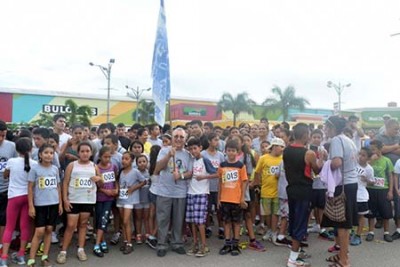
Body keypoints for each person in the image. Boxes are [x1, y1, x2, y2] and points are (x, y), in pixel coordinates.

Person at [321, 116, 359, 267]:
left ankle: (344, 260)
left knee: (342, 224)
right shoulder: (348, 139)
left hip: (343, 185)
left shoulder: (337, 140)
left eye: (326, 127)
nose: (324, 130)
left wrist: (325, 162)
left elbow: (337, 163)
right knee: (343, 222)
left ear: (332, 127)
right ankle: (342, 254)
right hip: (350, 183)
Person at [283, 123, 322, 267]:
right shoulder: (309, 153)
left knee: (294, 220)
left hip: (291, 189)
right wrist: (322, 159)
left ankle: (296, 251)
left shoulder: (286, 150)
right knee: (300, 223)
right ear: (305, 135)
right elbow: (317, 170)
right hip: (303, 190)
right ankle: (293, 259)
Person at [57, 142, 102, 264]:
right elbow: (65, 182)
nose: (85, 153)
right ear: (78, 153)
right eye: (82, 151)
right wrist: (65, 199)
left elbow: (101, 182)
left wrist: (99, 179)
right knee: (71, 225)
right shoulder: (72, 165)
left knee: (83, 224)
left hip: (87, 199)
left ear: (91, 153)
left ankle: (81, 249)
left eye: (87, 151)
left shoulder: (94, 166)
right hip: (73, 199)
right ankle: (63, 251)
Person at [154, 128, 193, 257]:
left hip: (180, 192)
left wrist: (181, 176)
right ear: (172, 138)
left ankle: (177, 243)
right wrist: (168, 156)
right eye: (176, 136)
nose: (178, 139)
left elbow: (190, 173)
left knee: (178, 220)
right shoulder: (164, 150)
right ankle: (162, 244)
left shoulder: (188, 154)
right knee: (163, 219)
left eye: (181, 137)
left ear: (185, 139)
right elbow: (157, 168)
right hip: (164, 191)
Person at [1, 138, 35, 267]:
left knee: (9, 227)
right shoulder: (34, 163)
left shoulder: (11, 161)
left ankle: (3, 258)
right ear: (31, 149)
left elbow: (5, 175)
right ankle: (21, 256)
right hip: (27, 197)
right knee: (24, 227)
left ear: (16, 149)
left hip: (13, 197)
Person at [27, 144, 62, 267]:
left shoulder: (55, 169)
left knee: (49, 230)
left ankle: (45, 257)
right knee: (39, 231)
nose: (49, 155)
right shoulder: (35, 169)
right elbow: (30, 188)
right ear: (40, 155)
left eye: (51, 153)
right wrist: (31, 206)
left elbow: (58, 187)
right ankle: (31, 258)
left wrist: (60, 204)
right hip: (40, 204)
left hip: (54, 203)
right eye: (46, 153)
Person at [185, 138, 218, 257]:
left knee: (200, 222)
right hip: (190, 193)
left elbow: (217, 173)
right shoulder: (191, 161)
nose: (193, 151)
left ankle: (204, 245)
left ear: (200, 148)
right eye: (190, 149)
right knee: (192, 221)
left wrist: (204, 177)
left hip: (202, 193)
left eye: (195, 148)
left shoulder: (205, 160)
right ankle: (195, 243)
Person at [218, 139, 248, 256]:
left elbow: (244, 182)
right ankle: (227, 243)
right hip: (224, 199)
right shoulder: (222, 165)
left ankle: (235, 244)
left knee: (236, 222)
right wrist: (218, 198)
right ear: (225, 151)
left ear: (237, 152)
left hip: (236, 199)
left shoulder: (241, 166)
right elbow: (220, 182)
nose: (231, 153)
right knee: (226, 222)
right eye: (229, 150)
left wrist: (242, 198)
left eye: (233, 151)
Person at [254, 138, 285, 244]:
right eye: (280, 147)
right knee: (266, 213)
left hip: (278, 190)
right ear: (274, 147)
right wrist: (257, 184)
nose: (281, 149)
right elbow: (257, 172)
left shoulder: (283, 159)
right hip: (265, 190)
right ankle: (269, 230)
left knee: (275, 213)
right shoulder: (263, 158)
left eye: (282, 147)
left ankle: (274, 232)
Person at [365, 140, 394, 243]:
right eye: (371, 149)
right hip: (371, 189)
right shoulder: (368, 161)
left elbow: (390, 176)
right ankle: (370, 232)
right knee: (371, 212)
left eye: (374, 149)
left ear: (380, 149)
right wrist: (370, 161)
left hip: (383, 189)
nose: (372, 151)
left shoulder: (386, 160)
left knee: (386, 212)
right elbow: (362, 170)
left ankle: (386, 232)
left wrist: (390, 191)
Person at [117, 152, 146, 255]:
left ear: (132, 160)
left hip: (130, 199)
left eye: (126, 159)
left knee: (126, 221)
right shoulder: (121, 172)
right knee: (123, 221)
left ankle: (129, 244)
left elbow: (144, 181)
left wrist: (133, 188)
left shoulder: (135, 172)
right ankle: (125, 241)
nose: (124, 161)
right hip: (121, 198)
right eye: (123, 159)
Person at [93, 146, 118, 258]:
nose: (107, 159)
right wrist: (104, 191)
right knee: (99, 219)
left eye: (109, 157)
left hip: (109, 199)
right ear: (100, 157)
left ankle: (97, 244)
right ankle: (101, 241)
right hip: (99, 198)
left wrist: (116, 189)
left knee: (104, 219)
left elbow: (115, 180)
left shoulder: (113, 166)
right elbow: (96, 185)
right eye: (105, 157)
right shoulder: (96, 168)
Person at [308, 129, 331, 240]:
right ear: (310, 137)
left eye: (319, 137)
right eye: (314, 137)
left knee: (320, 207)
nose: (316, 139)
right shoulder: (307, 150)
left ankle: (320, 227)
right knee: (310, 207)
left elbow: (325, 164)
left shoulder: (323, 150)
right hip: (310, 183)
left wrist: (324, 156)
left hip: (321, 183)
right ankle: (306, 228)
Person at [201, 133, 225, 239]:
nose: (217, 142)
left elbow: (223, 169)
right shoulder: (203, 154)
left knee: (220, 209)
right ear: (209, 141)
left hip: (218, 186)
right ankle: (208, 228)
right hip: (206, 186)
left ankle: (221, 228)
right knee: (207, 209)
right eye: (215, 139)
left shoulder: (220, 155)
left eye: (218, 140)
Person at [350, 147, 374, 246]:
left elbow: (372, 182)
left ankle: (358, 235)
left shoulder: (369, 169)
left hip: (361, 195)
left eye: (363, 155)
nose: (360, 157)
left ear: (368, 158)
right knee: (350, 215)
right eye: (360, 154)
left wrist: (367, 180)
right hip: (351, 193)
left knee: (361, 215)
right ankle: (350, 232)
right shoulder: (353, 164)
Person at [0, 121, 17, 253]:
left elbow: (16, 166)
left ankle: (1, 244)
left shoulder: (11, 146)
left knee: (3, 218)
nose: (1, 139)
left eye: (3, 136)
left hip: (5, 189)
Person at [147, 145, 162, 249]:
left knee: (151, 214)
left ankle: (151, 234)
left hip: (152, 190)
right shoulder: (160, 164)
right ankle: (154, 234)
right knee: (160, 215)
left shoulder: (150, 165)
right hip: (160, 191)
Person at [134, 154, 151, 245]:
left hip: (147, 199)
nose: (142, 164)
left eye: (144, 161)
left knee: (147, 218)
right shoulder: (135, 173)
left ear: (147, 162)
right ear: (136, 163)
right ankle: (138, 234)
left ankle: (147, 234)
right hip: (138, 199)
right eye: (139, 162)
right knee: (138, 218)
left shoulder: (149, 173)